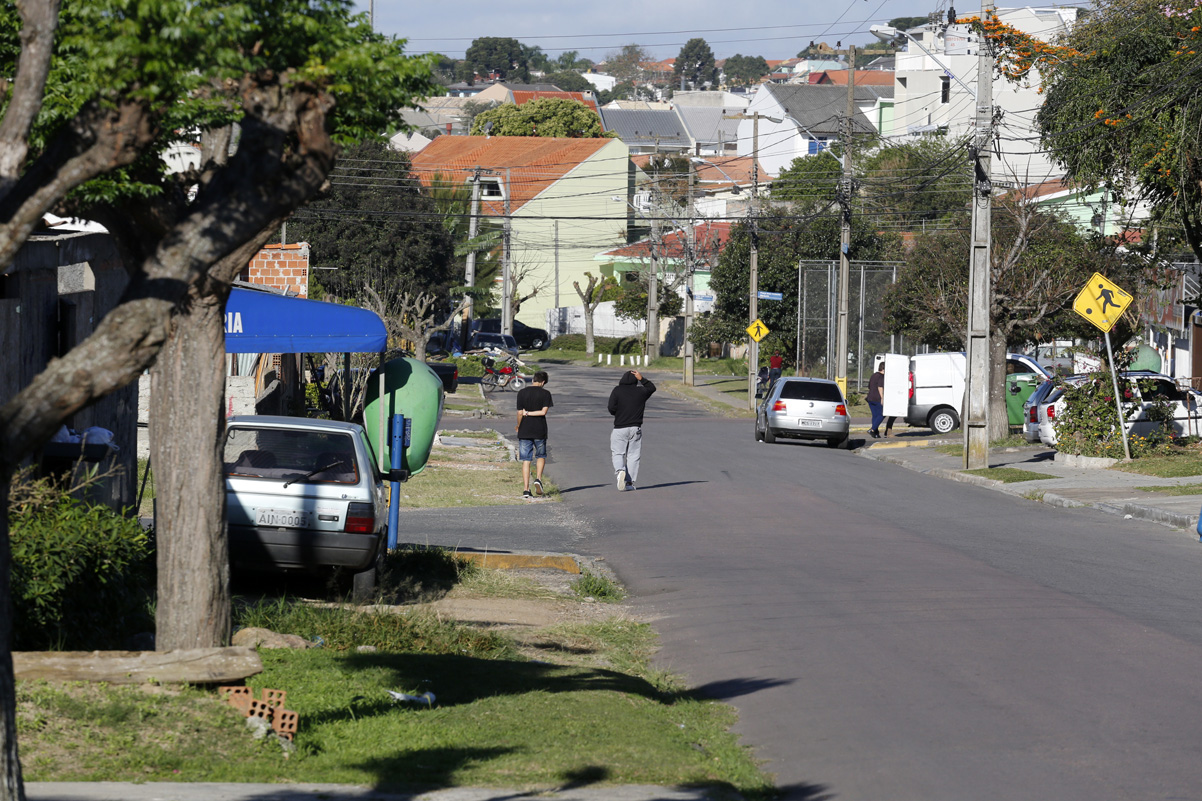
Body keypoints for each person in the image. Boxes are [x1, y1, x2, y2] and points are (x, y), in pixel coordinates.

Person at [608, 369, 656, 491]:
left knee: (618, 452)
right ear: (636, 380)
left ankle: (620, 471)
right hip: (636, 428)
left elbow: (611, 408)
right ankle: (629, 483)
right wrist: (642, 379)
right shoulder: (641, 392)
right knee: (633, 455)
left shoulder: (617, 390)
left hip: (620, 427)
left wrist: (618, 413)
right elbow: (652, 388)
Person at [515, 370, 553, 500]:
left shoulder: (522, 392)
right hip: (539, 430)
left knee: (526, 460)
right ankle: (538, 479)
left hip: (525, 430)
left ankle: (526, 489)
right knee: (541, 455)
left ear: (533, 380)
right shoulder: (546, 394)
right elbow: (543, 412)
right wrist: (530, 413)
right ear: (543, 382)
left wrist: (519, 425)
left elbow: (519, 413)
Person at [866, 362, 885, 438]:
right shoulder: (881, 376)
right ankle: (872, 429)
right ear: (883, 368)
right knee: (882, 414)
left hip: (870, 398)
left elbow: (869, 386)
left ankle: (875, 433)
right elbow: (880, 387)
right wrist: (882, 398)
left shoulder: (873, 375)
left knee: (875, 415)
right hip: (877, 398)